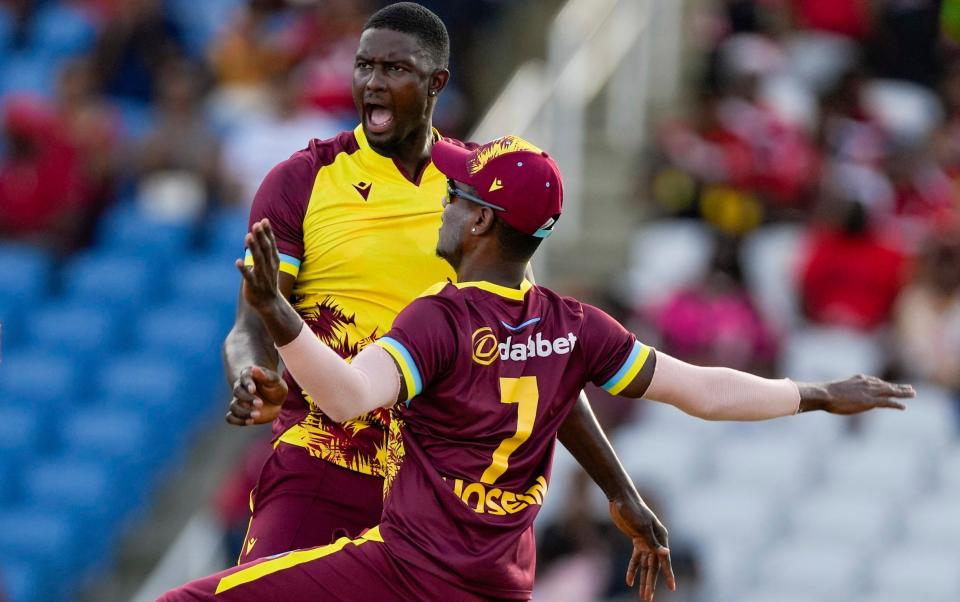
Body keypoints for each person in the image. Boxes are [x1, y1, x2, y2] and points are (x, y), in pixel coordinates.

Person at [162, 134, 912, 601]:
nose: (443, 208)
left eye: (455, 198)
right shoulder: (571, 324)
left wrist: (278, 312)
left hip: (409, 575)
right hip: (499, 584)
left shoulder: (441, 318)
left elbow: (351, 397)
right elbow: (702, 390)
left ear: (481, 219)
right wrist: (815, 393)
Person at [220, 3, 669, 595]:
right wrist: (253, 374)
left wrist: (620, 491)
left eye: (395, 69)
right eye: (364, 66)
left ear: (437, 82)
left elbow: (536, 355)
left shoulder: (482, 188)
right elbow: (251, 321)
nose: (374, 82)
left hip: (440, 495)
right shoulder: (302, 181)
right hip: (323, 465)